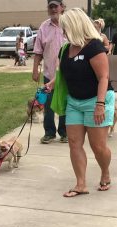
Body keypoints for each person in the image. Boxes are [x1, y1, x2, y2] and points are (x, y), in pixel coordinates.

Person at [45, 8, 115, 197]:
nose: (63, 32)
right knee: (74, 143)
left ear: (75, 26)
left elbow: (103, 77)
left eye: (66, 28)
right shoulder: (65, 49)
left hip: (96, 100)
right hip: (74, 102)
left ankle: (105, 172)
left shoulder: (94, 47)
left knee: (98, 146)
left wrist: (100, 105)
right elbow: (63, 74)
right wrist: (51, 84)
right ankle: (81, 184)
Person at [33, 0, 68, 144]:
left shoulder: (69, 24)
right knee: (48, 104)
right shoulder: (43, 27)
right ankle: (49, 132)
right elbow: (38, 51)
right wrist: (35, 69)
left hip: (67, 75)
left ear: (62, 7)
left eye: (56, 6)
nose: (53, 9)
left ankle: (64, 132)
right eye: (50, 6)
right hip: (49, 74)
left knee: (65, 104)